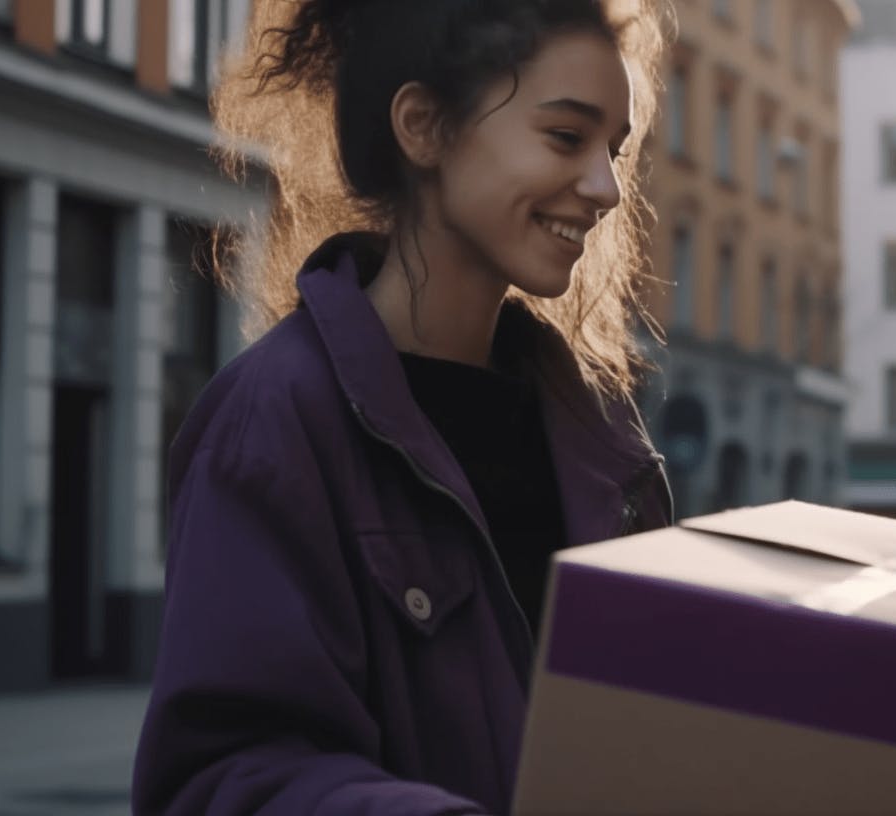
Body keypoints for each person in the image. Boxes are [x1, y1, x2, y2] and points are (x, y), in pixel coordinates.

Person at [132, 1, 672, 813]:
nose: (603, 187)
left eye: (614, 150)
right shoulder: (275, 422)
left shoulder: (602, 433)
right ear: (423, 127)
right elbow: (219, 779)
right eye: (566, 137)